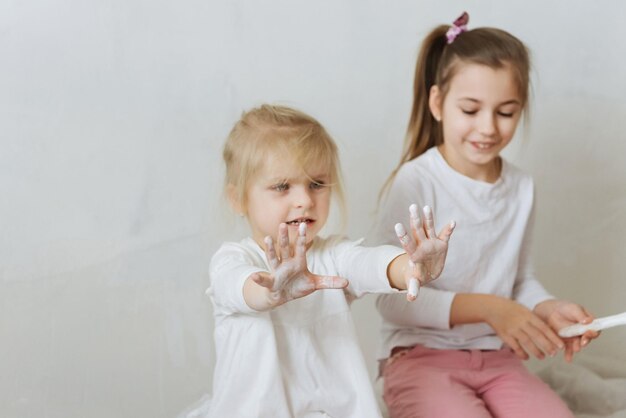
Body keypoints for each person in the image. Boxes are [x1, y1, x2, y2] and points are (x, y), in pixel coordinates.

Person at [368, 12, 600, 418]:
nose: (488, 127)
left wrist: (546, 307)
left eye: (506, 112)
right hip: (421, 359)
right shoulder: (415, 181)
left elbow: (520, 281)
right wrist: (491, 309)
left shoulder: (521, 187)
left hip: (497, 359)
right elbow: (392, 300)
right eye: (471, 110)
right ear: (438, 103)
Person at [207, 104, 455, 417]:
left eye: (317, 184)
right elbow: (238, 287)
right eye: (282, 186)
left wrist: (409, 267)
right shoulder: (233, 259)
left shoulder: (331, 254)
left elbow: (366, 262)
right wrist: (270, 292)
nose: (305, 200)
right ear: (238, 198)